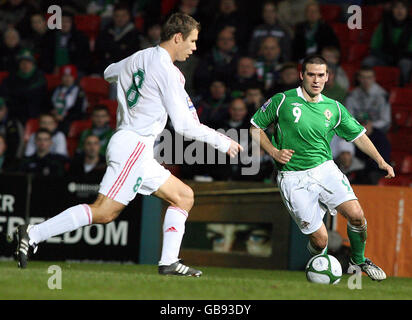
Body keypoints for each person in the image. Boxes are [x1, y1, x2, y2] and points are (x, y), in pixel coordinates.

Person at [14, 13, 242, 277]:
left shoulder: (139, 57)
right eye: (192, 41)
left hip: (136, 148)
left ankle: (169, 261)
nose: (194, 47)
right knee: (104, 212)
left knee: (183, 196)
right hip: (133, 146)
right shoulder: (168, 72)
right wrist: (223, 141)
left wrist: (131, 82)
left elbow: (109, 72)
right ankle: (33, 233)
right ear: (178, 37)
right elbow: (183, 126)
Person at [249, 54, 394, 281]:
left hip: (325, 169)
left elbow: (359, 136)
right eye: (311, 74)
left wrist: (380, 160)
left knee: (356, 215)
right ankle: (317, 263)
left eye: (320, 75)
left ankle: (358, 260)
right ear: (302, 75)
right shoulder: (283, 100)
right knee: (320, 240)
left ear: (328, 77)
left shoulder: (334, 108)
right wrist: (274, 152)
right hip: (293, 177)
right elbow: (255, 127)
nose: (316, 80)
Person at [362, 0, 412, 86]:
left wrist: (397, 56)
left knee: (406, 64)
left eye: (402, 8)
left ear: (407, 10)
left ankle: (402, 88)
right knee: (368, 62)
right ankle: (366, 86)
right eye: (396, 7)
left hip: (403, 58)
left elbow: (410, 51)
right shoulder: (384, 25)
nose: (399, 11)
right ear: (392, 10)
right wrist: (386, 56)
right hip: (384, 57)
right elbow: (374, 46)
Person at [345, 66, 391, 133]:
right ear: (358, 78)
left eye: (369, 77)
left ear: (374, 78)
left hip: (376, 131)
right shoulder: (352, 95)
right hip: (356, 130)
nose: (366, 80)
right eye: (363, 77)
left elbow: (386, 120)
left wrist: (371, 126)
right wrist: (360, 127)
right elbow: (348, 117)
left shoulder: (382, 95)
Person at [50, 64, 88, 134]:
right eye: (65, 76)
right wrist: (53, 112)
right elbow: (48, 104)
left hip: (69, 121)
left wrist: (64, 116)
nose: (67, 78)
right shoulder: (55, 90)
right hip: (54, 118)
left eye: (70, 76)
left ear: (74, 77)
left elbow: (79, 112)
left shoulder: (79, 92)